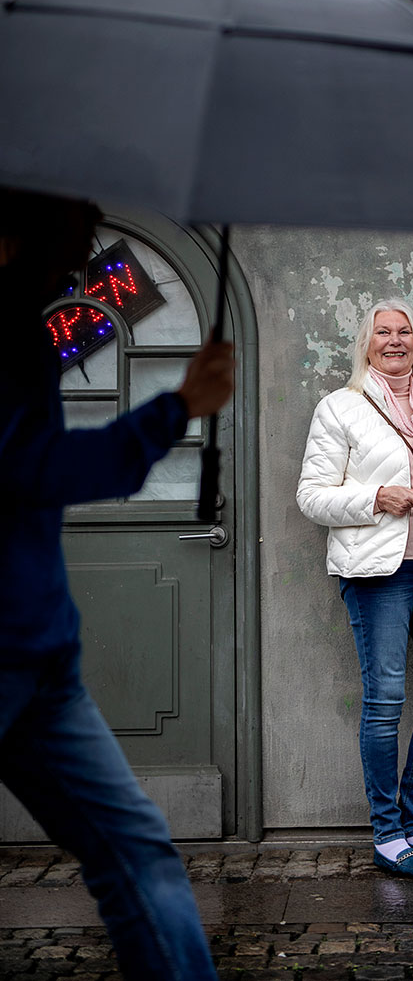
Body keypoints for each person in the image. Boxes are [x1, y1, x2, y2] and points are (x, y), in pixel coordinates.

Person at [0, 194, 233, 980]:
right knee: (135, 852)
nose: (81, 270)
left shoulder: (26, 331)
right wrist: (178, 409)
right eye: (66, 250)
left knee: (136, 849)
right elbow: (38, 468)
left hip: (40, 658)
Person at [297, 297, 413, 877]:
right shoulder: (340, 407)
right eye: (384, 332)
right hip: (378, 570)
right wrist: (375, 498)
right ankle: (387, 833)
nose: (396, 340)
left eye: (405, 331)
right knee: (384, 701)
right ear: (367, 342)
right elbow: (312, 497)